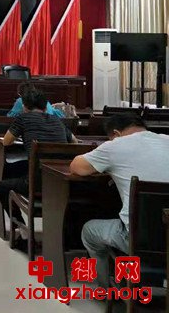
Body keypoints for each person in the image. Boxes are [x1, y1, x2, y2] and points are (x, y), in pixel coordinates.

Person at [70, 114, 169, 286]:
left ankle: (104, 290)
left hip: (141, 239)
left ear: (115, 134)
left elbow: (77, 167)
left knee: (89, 231)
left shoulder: (115, 145)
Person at [0, 87, 75, 241]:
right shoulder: (57, 120)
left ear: (24, 106)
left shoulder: (23, 118)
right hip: (60, 181)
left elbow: (6, 142)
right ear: (45, 107)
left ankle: (21, 229)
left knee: (1, 186)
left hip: (36, 182)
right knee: (19, 167)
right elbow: (75, 142)